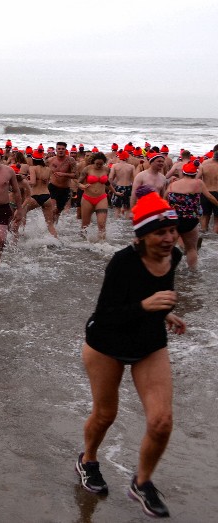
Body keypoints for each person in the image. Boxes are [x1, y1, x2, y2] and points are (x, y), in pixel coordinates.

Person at [76, 192, 186, 518]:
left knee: (162, 421)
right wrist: (144, 307)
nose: (168, 239)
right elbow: (104, 315)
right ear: (141, 235)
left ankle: (142, 481)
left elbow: (152, 293)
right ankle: (89, 459)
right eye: (159, 233)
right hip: (105, 345)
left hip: (148, 344)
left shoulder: (174, 256)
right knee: (105, 414)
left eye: (172, 231)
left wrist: (164, 313)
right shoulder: (123, 262)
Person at [165, 162, 217, 270]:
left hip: (173, 220)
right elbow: (209, 197)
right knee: (191, 249)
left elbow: (164, 199)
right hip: (190, 220)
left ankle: (168, 270)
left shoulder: (172, 184)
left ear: (183, 172)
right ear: (195, 173)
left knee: (169, 248)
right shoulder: (198, 183)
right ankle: (192, 272)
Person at [78, 152, 111, 240]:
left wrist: (115, 192)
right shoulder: (87, 169)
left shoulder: (107, 169)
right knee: (85, 225)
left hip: (101, 198)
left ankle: (102, 245)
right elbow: (78, 182)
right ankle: (83, 243)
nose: (99, 165)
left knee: (101, 224)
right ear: (93, 162)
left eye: (101, 164)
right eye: (97, 164)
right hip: (87, 198)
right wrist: (82, 186)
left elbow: (107, 183)